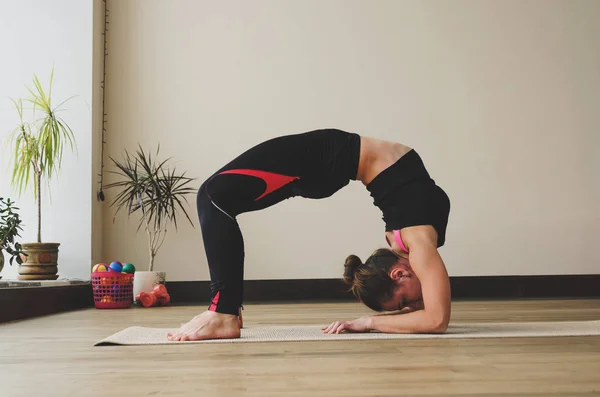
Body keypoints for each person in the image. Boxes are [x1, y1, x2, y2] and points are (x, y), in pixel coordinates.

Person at [167, 128, 451, 341]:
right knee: (212, 196)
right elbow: (437, 320)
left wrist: (371, 322)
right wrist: (370, 322)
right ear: (399, 274)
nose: (413, 307)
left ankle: (225, 312)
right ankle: (225, 312)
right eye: (404, 304)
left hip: (333, 162)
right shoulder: (419, 243)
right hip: (333, 156)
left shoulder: (406, 244)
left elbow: (432, 318)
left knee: (214, 197)